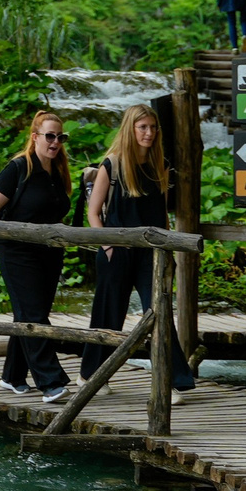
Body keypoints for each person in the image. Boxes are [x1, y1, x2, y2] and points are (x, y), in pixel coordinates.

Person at [85, 103, 188, 390]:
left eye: (153, 127)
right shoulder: (112, 164)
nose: (149, 133)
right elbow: (94, 212)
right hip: (116, 251)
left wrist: (168, 250)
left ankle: (174, 381)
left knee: (159, 313)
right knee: (108, 316)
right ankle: (93, 374)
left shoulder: (161, 165)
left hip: (151, 255)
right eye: (142, 127)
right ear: (130, 130)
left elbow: (161, 214)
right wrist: (108, 247)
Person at [0, 111, 75, 401]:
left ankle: (12, 375)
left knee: (31, 315)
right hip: (18, 252)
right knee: (32, 315)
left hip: (49, 253)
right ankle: (51, 382)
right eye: (50, 136)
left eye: (60, 137)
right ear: (35, 137)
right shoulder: (19, 167)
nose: (55, 142)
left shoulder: (57, 172)